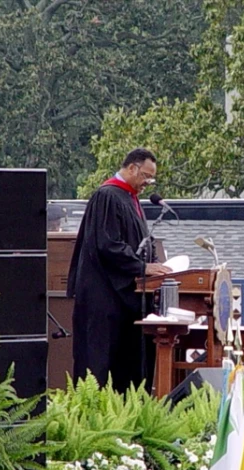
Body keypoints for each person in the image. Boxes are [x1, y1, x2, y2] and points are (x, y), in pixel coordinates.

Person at [66, 148, 172, 391]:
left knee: (128, 369)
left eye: (151, 178)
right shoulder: (108, 196)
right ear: (132, 168)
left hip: (124, 300)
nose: (148, 183)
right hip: (103, 298)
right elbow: (108, 244)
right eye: (146, 176)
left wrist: (153, 264)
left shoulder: (131, 200)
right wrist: (142, 267)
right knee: (98, 367)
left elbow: (139, 244)